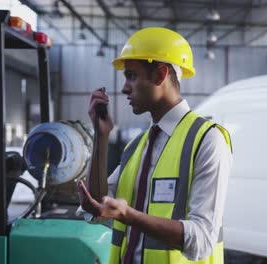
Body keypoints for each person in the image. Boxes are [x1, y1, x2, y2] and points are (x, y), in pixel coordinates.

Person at [78, 27, 233, 264]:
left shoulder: (207, 140)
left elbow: (201, 240)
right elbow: (99, 205)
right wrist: (101, 136)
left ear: (160, 75)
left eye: (131, 76)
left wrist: (129, 215)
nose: (124, 88)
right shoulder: (135, 147)